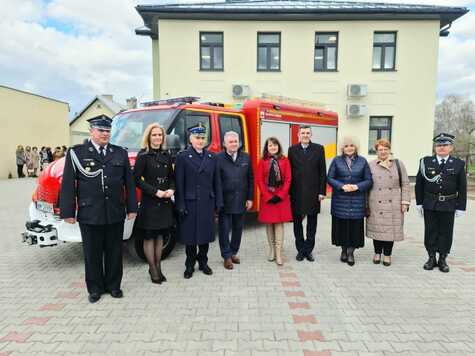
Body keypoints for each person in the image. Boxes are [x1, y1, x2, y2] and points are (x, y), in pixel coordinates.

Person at [60, 115, 137, 303]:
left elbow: (129, 182)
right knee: (92, 253)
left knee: (114, 251)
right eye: (101, 130)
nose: (105, 134)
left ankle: (113, 285)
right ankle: (95, 288)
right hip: (90, 213)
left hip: (114, 211)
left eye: (108, 131)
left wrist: (131, 207)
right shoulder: (77, 153)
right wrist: (68, 212)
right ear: (91, 131)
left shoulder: (119, 153)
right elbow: (69, 184)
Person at [175, 123, 223, 279]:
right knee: (190, 237)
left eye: (203, 138)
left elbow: (217, 182)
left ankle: (203, 262)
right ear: (190, 139)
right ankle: (189, 265)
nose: (200, 141)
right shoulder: (183, 157)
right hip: (190, 202)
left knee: (205, 235)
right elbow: (179, 183)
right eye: (197, 138)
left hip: (207, 202)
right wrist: (180, 204)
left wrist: (218, 202)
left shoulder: (212, 157)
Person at [415, 133, 467, 273]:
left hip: (449, 203)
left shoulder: (458, 164)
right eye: (439, 145)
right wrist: (419, 203)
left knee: (446, 232)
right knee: (430, 230)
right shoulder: (425, 162)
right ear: (435, 147)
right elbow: (419, 184)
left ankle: (443, 259)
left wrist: (461, 207)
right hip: (430, 203)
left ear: (451, 147)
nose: (441, 148)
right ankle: (431, 258)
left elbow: (462, 187)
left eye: (445, 145)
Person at [134, 123, 175, 284]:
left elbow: (172, 176)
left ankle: (158, 266)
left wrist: (172, 189)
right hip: (150, 201)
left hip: (165, 201)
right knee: (150, 237)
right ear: (148, 137)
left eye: (160, 135)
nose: (157, 137)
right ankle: (152, 268)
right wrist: (155, 191)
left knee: (160, 236)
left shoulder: (167, 154)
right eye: (154, 135)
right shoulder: (143, 155)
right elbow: (136, 179)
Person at [327, 137, 372, 266]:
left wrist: (357, 186)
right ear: (342, 148)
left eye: (352, 145)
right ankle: (343, 250)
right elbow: (329, 178)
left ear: (356, 147)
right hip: (340, 201)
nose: (349, 148)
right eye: (346, 146)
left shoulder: (363, 161)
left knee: (354, 229)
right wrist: (341, 186)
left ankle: (351, 252)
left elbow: (369, 180)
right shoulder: (336, 160)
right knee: (341, 228)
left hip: (357, 201)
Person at [366, 139, 410, 266]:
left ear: (389, 150)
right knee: (377, 230)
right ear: (376, 151)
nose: (383, 152)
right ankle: (377, 253)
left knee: (390, 231)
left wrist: (405, 202)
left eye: (386, 149)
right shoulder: (371, 165)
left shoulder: (398, 164)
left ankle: (387, 255)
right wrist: (366, 204)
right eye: (380, 149)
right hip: (376, 202)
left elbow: (405, 184)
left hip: (394, 203)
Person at [288, 125, 327, 262]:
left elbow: (323, 172)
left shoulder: (319, 149)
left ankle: (308, 250)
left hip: (313, 193)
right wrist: (288, 192)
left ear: (311, 135)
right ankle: (300, 250)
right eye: (303, 133)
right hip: (296, 192)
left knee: (312, 224)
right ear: (298, 135)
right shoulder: (292, 150)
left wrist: (322, 191)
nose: (305, 135)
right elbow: (289, 172)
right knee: (297, 223)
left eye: (307, 133)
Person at [216, 131, 254, 270]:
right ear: (225, 144)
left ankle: (233, 252)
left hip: (241, 199)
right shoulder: (218, 158)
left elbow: (250, 178)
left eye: (235, 141)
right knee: (224, 229)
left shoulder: (246, 157)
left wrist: (250, 198)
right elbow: (216, 181)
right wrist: (218, 201)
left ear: (239, 143)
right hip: (225, 201)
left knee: (238, 228)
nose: (233, 144)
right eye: (230, 142)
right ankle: (226, 256)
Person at [257, 137, 293, 266]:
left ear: (279, 146)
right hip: (267, 198)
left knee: (278, 224)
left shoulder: (285, 160)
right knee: (269, 224)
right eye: (270, 145)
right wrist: (267, 196)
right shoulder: (262, 161)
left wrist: (281, 195)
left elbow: (288, 179)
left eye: (275, 145)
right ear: (266, 148)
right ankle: (271, 250)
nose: (273, 147)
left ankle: (278, 253)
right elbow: (259, 180)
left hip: (280, 198)